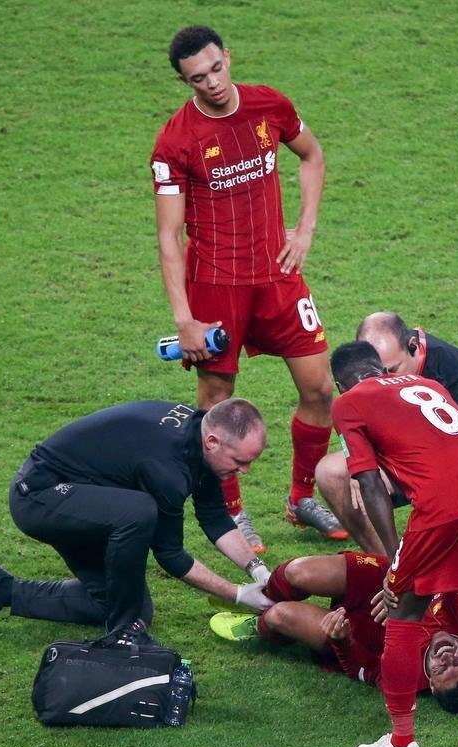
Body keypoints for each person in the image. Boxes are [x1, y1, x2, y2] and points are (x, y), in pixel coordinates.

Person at [149, 25, 344, 553]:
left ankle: (302, 496)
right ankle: (232, 513)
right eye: (197, 78)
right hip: (216, 286)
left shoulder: (269, 106)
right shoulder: (175, 142)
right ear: (184, 82)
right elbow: (168, 235)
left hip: (278, 277)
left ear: (227, 58)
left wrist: (304, 229)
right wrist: (184, 319)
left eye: (216, 69)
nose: (212, 83)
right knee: (216, 404)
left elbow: (312, 155)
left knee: (320, 389)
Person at [329, 341, 458, 747]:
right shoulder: (426, 381)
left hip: (444, 502)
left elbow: (368, 481)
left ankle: (401, 744)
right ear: (380, 366)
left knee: (403, 611)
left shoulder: (348, 404)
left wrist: (394, 552)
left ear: (341, 384)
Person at [0, 399, 276, 638]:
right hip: (40, 496)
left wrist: (257, 570)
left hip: (90, 500)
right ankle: (123, 634)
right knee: (138, 513)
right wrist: (235, 594)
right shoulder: (167, 468)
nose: (244, 471)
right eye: (240, 461)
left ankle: (1, 589)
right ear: (213, 442)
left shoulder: (199, 438)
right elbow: (171, 556)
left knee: (127, 606)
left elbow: (215, 516)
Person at [315, 312, 458, 554]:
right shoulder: (396, 381)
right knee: (331, 474)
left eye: (389, 371)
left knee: (368, 483)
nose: (378, 382)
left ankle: (409, 568)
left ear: (412, 347)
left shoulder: (455, 376)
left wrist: (369, 472)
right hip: (415, 451)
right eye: (374, 372)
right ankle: (385, 564)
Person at [209, 552, 458, 715]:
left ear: (432, 686)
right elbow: (454, 572)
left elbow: (358, 668)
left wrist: (341, 640)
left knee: (281, 616)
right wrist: (405, 590)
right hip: (388, 582)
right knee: (297, 573)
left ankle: (259, 623)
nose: (447, 655)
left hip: (354, 629)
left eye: (441, 669)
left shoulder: (404, 680)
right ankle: (262, 593)